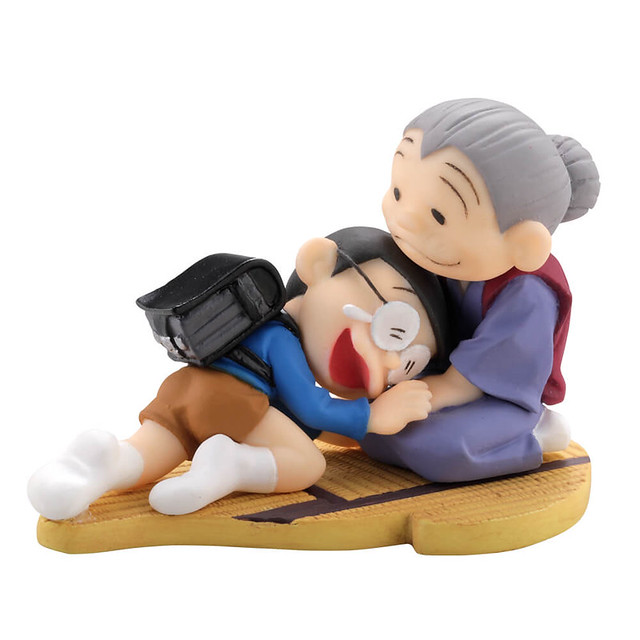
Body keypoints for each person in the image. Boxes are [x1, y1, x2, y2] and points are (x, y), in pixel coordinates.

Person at [28, 226, 450, 519]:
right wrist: (372, 417)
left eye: (407, 361)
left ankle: (103, 460)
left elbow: (299, 420)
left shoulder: (251, 335)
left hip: (183, 391)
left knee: (148, 456)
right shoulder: (280, 338)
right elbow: (311, 408)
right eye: (394, 330)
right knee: (305, 464)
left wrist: (357, 436)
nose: (390, 362)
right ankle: (230, 465)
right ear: (317, 265)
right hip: (235, 401)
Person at [361, 99, 600, 482]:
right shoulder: (438, 258)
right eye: (399, 192)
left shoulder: (528, 291)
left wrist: (435, 391)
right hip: (438, 372)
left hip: (493, 394)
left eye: (439, 216)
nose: (405, 219)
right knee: (374, 428)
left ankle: (535, 433)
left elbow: (489, 369)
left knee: (439, 448)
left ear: (523, 244)